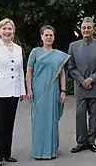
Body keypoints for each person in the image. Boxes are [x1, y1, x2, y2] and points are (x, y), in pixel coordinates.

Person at [0, 18, 26, 166]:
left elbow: (20, 70)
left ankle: (6, 154)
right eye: (4, 29)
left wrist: (22, 90)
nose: (7, 31)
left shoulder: (18, 48)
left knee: (9, 124)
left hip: (13, 91)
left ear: (13, 31)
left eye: (10, 29)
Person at [26, 25, 70, 159]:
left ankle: (51, 151)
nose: (49, 37)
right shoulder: (35, 52)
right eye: (46, 35)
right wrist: (29, 89)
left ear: (54, 37)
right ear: (41, 37)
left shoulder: (59, 55)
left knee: (51, 120)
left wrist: (63, 91)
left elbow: (62, 74)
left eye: (51, 35)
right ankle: (38, 151)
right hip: (38, 91)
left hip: (53, 91)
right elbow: (29, 71)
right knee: (38, 120)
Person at [68, 17, 96, 153]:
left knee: (94, 116)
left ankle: (91, 141)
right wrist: (82, 80)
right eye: (84, 28)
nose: (86, 30)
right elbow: (71, 66)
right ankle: (81, 142)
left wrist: (91, 79)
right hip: (80, 87)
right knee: (80, 115)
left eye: (89, 27)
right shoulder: (73, 46)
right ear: (81, 30)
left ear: (93, 29)